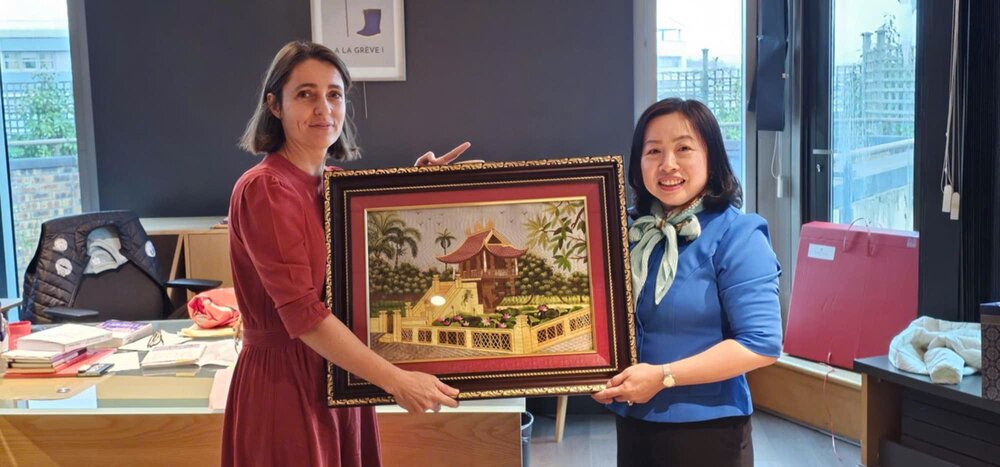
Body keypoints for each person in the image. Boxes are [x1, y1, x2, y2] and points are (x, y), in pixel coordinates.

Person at [222, 41, 471, 467]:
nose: (323, 108)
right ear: (275, 106)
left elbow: (368, 256)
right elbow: (303, 314)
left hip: (341, 373)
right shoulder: (266, 188)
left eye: (334, 94)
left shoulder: (332, 183)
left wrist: (421, 193)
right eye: (305, 94)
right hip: (287, 384)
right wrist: (395, 380)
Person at [592, 98, 782, 466]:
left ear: (711, 157)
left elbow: (761, 345)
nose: (668, 164)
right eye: (653, 151)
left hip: (709, 430)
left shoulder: (738, 234)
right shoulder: (626, 232)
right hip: (634, 421)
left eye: (683, 148)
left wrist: (662, 377)